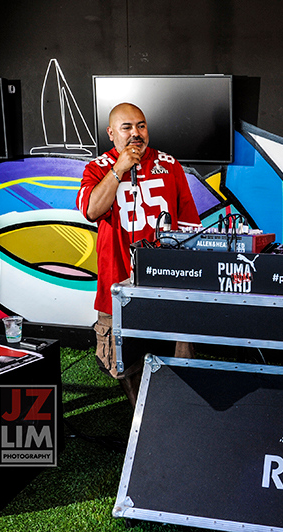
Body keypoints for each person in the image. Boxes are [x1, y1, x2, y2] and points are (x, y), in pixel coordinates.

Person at [77, 102, 200, 405]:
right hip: (117, 283)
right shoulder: (97, 168)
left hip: (168, 285)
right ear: (111, 133)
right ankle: (141, 420)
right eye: (127, 127)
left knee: (180, 361)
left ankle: (179, 416)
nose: (136, 133)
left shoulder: (169, 165)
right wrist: (119, 168)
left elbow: (190, 227)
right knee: (125, 366)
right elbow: (91, 210)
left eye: (141, 125)